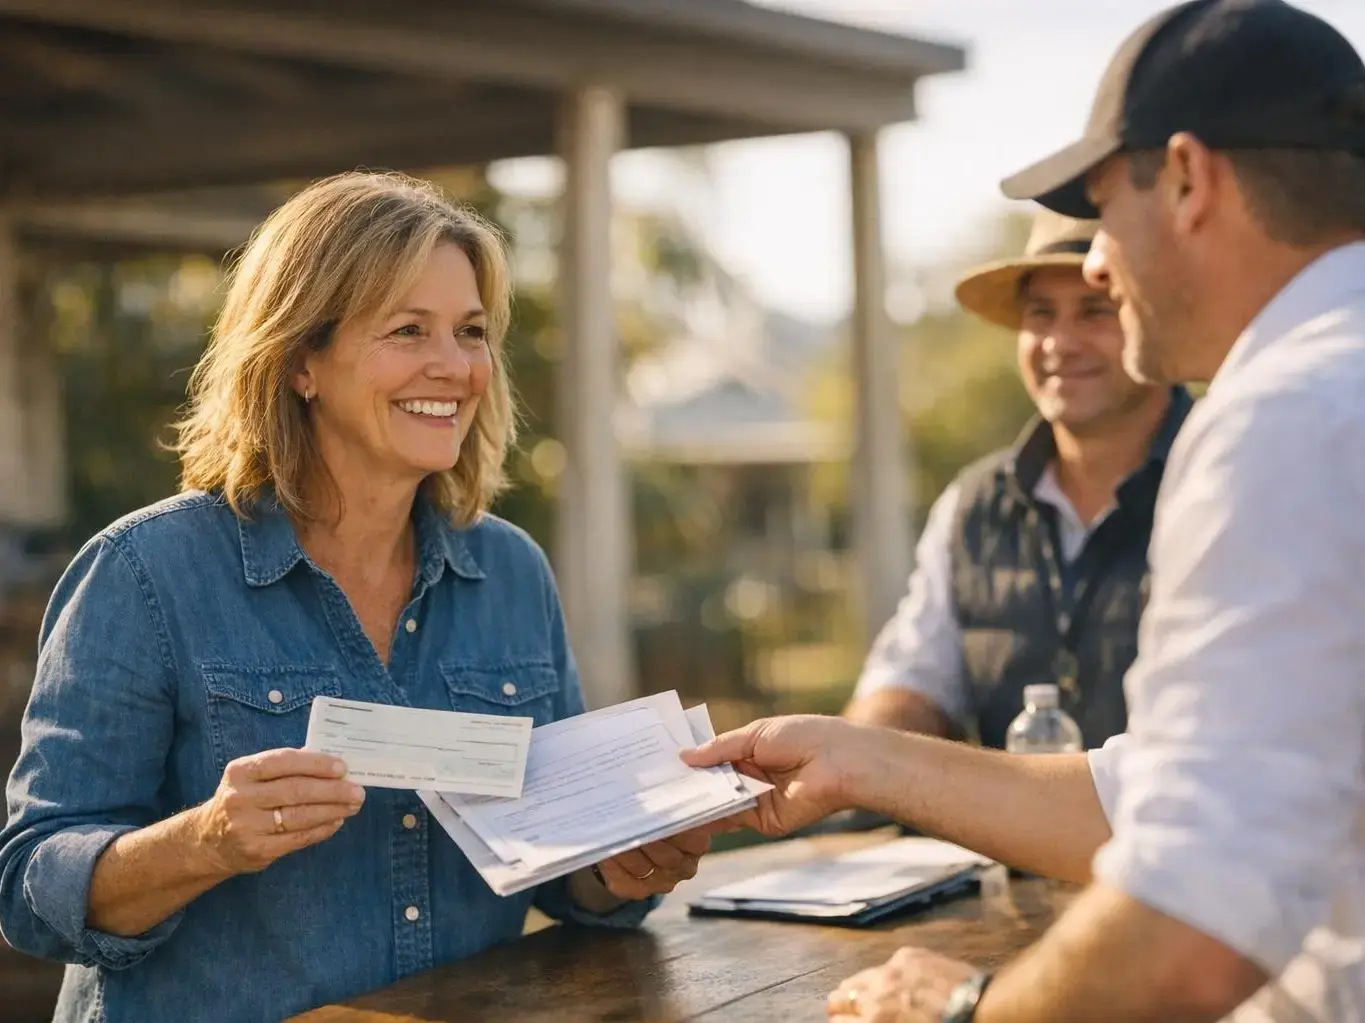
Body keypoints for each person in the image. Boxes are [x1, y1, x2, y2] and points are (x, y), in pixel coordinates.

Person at [686, 1, 1365, 1020]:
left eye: (1103, 206)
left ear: (1189, 179)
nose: (1093, 262)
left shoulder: (1286, 416)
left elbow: (1192, 920)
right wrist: (863, 755)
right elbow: (1185, 792)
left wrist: (968, 1011)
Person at [0, 171, 709, 1023]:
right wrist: (209, 839)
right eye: (408, 330)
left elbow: (563, 874)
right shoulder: (143, 572)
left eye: (471, 331)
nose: (453, 366)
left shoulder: (511, 573)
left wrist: (621, 864)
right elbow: (31, 887)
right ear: (302, 360)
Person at [846, 211, 1191, 749]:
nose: (1060, 342)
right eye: (1041, 314)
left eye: (1095, 311)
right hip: (1004, 838)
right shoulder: (972, 504)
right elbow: (912, 680)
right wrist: (860, 750)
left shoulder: (1231, 475)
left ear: (1153, 321)